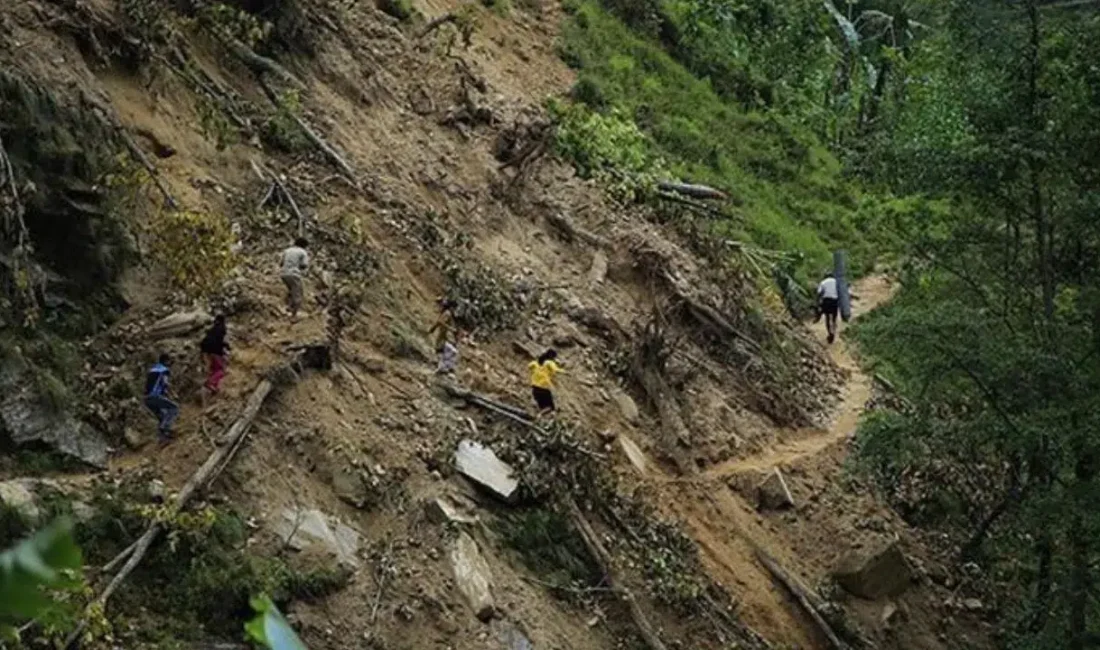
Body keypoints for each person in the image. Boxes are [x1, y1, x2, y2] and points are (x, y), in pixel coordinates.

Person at [144, 353, 179, 443]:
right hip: (155, 396)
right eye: (169, 361)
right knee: (174, 408)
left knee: (162, 415)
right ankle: (165, 429)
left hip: (147, 398)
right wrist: (173, 394)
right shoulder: (164, 370)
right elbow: (165, 384)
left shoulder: (153, 370)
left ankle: (162, 438)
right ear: (166, 361)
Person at [200, 315, 230, 395]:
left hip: (206, 351)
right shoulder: (222, 328)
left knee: (214, 370)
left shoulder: (212, 329)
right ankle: (210, 382)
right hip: (215, 351)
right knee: (221, 370)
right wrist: (226, 348)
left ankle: (214, 387)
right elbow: (221, 341)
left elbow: (206, 340)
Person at [280, 238, 310, 319]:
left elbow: (281, 263)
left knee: (291, 291)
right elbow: (304, 265)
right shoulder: (303, 252)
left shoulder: (287, 250)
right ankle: (294, 316)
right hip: (294, 274)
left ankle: (288, 309)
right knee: (298, 294)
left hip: (283, 274)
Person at [428, 299, 458, 374]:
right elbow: (441, 322)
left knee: (442, 350)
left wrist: (432, 329)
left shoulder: (446, 313)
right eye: (454, 308)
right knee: (449, 351)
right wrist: (451, 329)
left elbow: (438, 322)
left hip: (443, 336)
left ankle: (443, 367)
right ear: (451, 307)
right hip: (444, 336)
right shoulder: (448, 313)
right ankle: (444, 368)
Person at [529, 349, 563, 416]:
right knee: (551, 407)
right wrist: (566, 372)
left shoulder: (536, 363)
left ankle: (539, 416)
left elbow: (529, 366)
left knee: (543, 407)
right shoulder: (549, 363)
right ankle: (540, 416)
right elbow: (556, 370)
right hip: (543, 388)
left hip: (534, 388)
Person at [817, 272, 839, 344]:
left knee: (827, 318)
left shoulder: (823, 282)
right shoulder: (837, 282)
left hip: (826, 301)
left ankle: (830, 332)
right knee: (834, 318)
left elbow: (819, 292)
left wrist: (819, 302)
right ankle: (834, 332)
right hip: (835, 301)